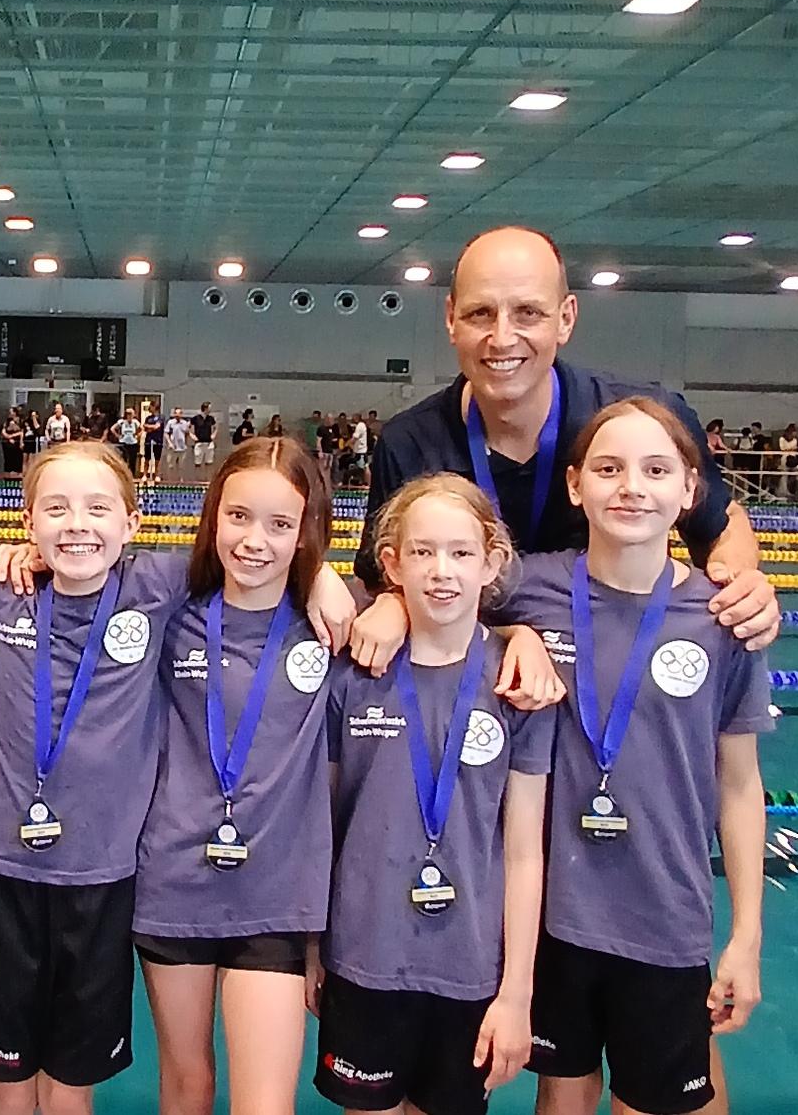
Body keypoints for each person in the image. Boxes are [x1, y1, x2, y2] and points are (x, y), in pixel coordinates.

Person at [0, 441, 353, 1115]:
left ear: (132, 524)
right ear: (26, 523)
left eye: (97, 508)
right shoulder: (0, 577)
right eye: (56, 509)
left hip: (104, 882)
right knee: (7, 1087)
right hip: (0, 876)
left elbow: (266, 564)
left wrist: (322, 575)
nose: (76, 524)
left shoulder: (157, 585)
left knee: (72, 1086)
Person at [489, 399, 771, 1115]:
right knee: (562, 1092)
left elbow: (737, 786)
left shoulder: (721, 618)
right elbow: (432, 607)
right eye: (609, 469)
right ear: (575, 485)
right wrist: (507, 636)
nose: (631, 488)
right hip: (555, 914)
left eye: (655, 470)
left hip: (665, 913)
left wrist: (745, 935)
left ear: (688, 491)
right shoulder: (530, 587)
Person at [354, 226, 780, 674]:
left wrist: (739, 584)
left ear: (566, 318)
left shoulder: (639, 424)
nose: (501, 338)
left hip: (614, 674)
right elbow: (381, 577)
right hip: (469, 683)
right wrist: (387, 602)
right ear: (450, 319)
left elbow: (722, 522)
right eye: (480, 313)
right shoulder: (408, 442)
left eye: (527, 313)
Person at [315, 474, 553, 1115]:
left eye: (460, 552)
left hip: (469, 967)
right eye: (422, 552)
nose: (441, 571)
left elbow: (526, 850)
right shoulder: (353, 676)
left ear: (491, 562)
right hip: (363, 957)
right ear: (391, 563)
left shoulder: (517, 683)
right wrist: (314, 950)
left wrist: (517, 993)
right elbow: (323, 827)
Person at [133, 439, 339, 1115]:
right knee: (185, 1084)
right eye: (239, 517)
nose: (254, 540)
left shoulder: (337, 623)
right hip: (173, 882)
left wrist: (341, 583)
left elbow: (463, 604)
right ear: (212, 516)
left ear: (306, 530)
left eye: (280, 525)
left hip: (275, 896)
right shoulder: (172, 613)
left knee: (262, 1103)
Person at [162, 407, 190, 483]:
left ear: (181, 414)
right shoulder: (170, 423)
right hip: (172, 448)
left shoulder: (184, 423)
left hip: (182, 448)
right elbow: (166, 433)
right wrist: (169, 443)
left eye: (179, 413)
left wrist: (186, 444)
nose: (177, 415)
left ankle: (180, 480)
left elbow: (187, 434)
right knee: (171, 465)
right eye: (176, 413)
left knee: (181, 466)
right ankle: (171, 480)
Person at [113, 406, 142, 474]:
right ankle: (123, 473)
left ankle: (132, 474)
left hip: (133, 443)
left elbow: (142, 429)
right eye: (128, 413)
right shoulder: (122, 422)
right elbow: (112, 428)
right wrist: (118, 436)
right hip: (124, 443)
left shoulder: (135, 422)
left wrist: (137, 436)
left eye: (131, 413)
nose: (129, 415)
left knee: (132, 460)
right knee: (123, 459)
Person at [140, 401, 164, 483]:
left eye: (151, 407)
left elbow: (157, 427)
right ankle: (144, 475)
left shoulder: (161, 417)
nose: (149, 408)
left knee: (157, 460)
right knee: (147, 459)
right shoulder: (148, 418)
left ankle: (156, 475)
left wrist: (149, 427)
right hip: (148, 441)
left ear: (154, 407)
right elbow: (144, 427)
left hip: (158, 441)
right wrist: (150, 427)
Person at [191, 402, 218, 469]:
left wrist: (214, 435)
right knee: (197, 463)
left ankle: (207, 478)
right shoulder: (196, 418)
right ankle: (198, 478)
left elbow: (216, 427)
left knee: (209, 462)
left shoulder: (211, 418)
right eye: (209, 408)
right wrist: (192, 436)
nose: (210, 410)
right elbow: (189, 428)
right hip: (199, 443)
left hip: (209, 443)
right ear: (205, 408)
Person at [1, 408, 26, 475]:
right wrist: (8, 437)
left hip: (16, 442)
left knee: (17, 458)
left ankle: (17, 472)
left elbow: (21, 432)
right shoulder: (7, 421)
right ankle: (8, 472)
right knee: (8, 458)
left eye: (11, 412)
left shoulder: (20, 420)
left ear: (15, 413)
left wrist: (12, 436)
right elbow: (3, 431)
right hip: (7, 442)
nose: (9, 414)